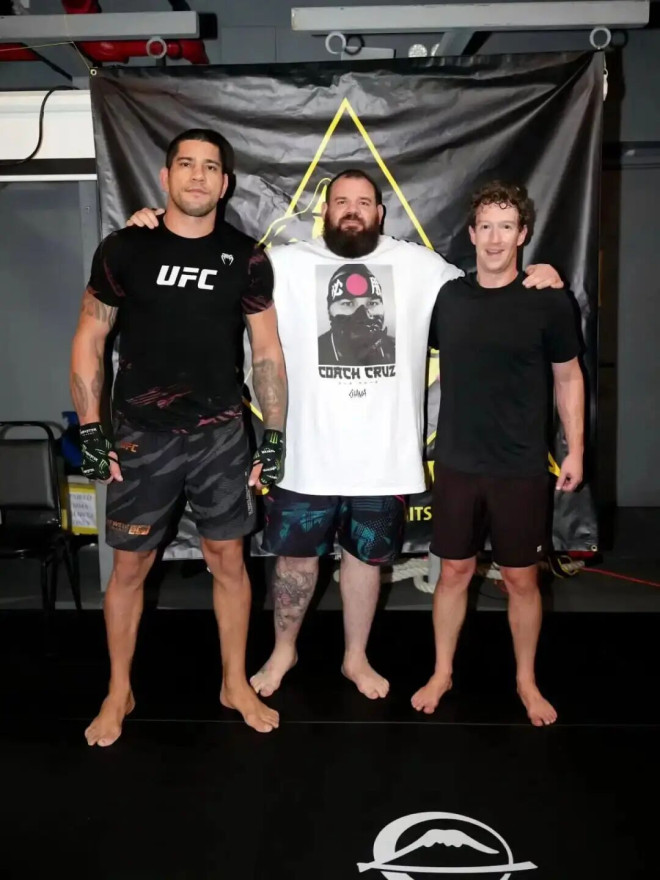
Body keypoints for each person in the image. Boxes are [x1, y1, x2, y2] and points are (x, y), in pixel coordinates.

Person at [127, 169, 562, 703]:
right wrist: (155, 226)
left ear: (380, 213)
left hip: (383, 459)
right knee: (295, 562)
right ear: (325, 211)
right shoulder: (283, 264)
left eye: (363, 201)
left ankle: (355, 656)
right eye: (341, 201)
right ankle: (284, 650)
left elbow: (490, 283)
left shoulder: (419, 266)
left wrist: (538, 273)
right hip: (307, 455)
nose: (352, 209)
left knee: (365, 561)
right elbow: (206, 262)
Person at [70, 129, 287, 745]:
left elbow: (266, 352)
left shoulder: (247, 257)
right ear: (165, 177)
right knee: (129, 567)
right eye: (186, 164)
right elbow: (89, 338)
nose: (197, 175)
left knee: (229, 561)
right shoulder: (124, 249)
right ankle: (119, 689)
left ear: (225, 183)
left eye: (210, 167)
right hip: (143, 435)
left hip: (221, 435)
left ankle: (234, 683)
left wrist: (273, 435)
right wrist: (92, 430)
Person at [411, 180, 584, 726]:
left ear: (522, 234)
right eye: (485, 226)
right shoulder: (448, 298)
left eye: (505, 226)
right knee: (453, 572)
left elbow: (569, 377)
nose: (494, 238)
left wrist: (575, 449)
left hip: (520, 466)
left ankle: (526, 680)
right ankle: (442, 671)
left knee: (520, 580)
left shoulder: (548, 300)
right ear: (471, 233)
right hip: (458, 462)